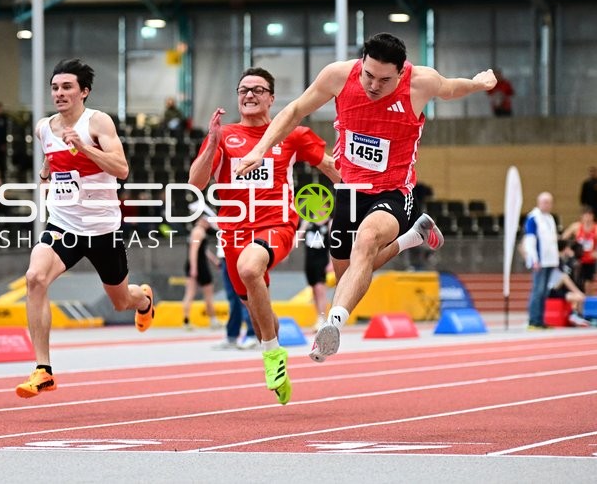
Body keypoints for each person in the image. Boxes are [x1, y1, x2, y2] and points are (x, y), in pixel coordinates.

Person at [235, 32, 496, 362]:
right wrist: (260, 149)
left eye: (384, 80)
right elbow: (295, 110)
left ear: (401, 73)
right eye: (368, 75)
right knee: (349, 275)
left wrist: (478, 83)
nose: (373, 85)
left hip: (394, 191)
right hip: (349, 189)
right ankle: (411, 238)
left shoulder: (421, 83)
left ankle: (333, 324)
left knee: (367, 240)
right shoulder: (339, 76)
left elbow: (452, 88)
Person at [189, 67, 340, 405]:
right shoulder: (224, 135)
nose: (250, 95)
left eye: (258, 90)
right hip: (233, 233)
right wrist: (212, 142)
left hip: (277, 225)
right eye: (244, 89)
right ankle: (276, 350)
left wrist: (366, 195)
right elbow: (197, 183)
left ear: (272, 98)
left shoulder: (292, 134)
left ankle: (270, 355)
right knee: (260, 317)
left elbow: (330, 166)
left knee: (249, 268)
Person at [15, 58, 154, 398]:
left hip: (103, 228)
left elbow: (121, 169)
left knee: (120, 301)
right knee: (35, 278)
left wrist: (86, 147)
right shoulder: (43, 127)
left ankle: (144, 299)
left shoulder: (98, 122)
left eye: (67, 87)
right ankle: (43, 369)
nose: (59, 93)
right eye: (55, 87)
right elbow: (53, 160)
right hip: (63, 225)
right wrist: (48, 171)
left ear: (84, 92)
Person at [521, 192, 560, 329]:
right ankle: (533, 320)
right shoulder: (533, 218)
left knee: (544, 292)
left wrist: (555, 260)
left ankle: (540, 319)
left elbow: (552, 241)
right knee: (537, 291)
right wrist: (534, 259)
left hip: (550, 261)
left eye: (549, 202)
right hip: (540, 261)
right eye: (544, 202)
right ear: (539, 202)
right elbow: (530, 240)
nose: (547, 205)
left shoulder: (550, 218)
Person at [213, 242, 258, 349]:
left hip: (241, 254)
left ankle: (252, 334)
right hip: (226, 256)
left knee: (244, 297)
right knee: (233, 299)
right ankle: (232, 336)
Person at [181, 211, 221, 330]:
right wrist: (194, 268)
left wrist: (214, 261)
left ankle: (186, 321)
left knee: (190, 293)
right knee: (208, 294)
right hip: (199, 266)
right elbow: (194, 251)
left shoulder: (195, 231)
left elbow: (203, 250)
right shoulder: (199, 232)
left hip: (194, 264)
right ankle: (213, 320)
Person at [298, 215, 333, 332]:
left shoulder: (329, 222)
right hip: (309, 260)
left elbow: (334, 243)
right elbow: (299, 236)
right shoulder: (308, 221)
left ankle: (323, 318)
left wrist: (331, 262)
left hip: (322, 260)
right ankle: (319, 316)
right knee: (313, 289)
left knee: (320, 289)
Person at [548, 240, 590, 327]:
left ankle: (577, 315)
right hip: (552, 289)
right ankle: (574, 314)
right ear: (565, 249)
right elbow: (564, 276)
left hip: (559, 288)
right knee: (565, 278)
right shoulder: (556, 260)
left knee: (579, 297)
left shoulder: (564, 261)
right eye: (568, 248)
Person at [561, 207, 597, 295]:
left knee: (588, 284)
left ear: (593, 217)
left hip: (590, 259)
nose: (587, 218)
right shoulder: (576, 227)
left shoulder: (596, 228)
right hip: (577, 260)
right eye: (585, 216)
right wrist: (568, 250)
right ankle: (577, 303)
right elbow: (562, 240)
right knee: (577, 282)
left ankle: (587, 302)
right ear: (582, 217)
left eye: (589, 216)